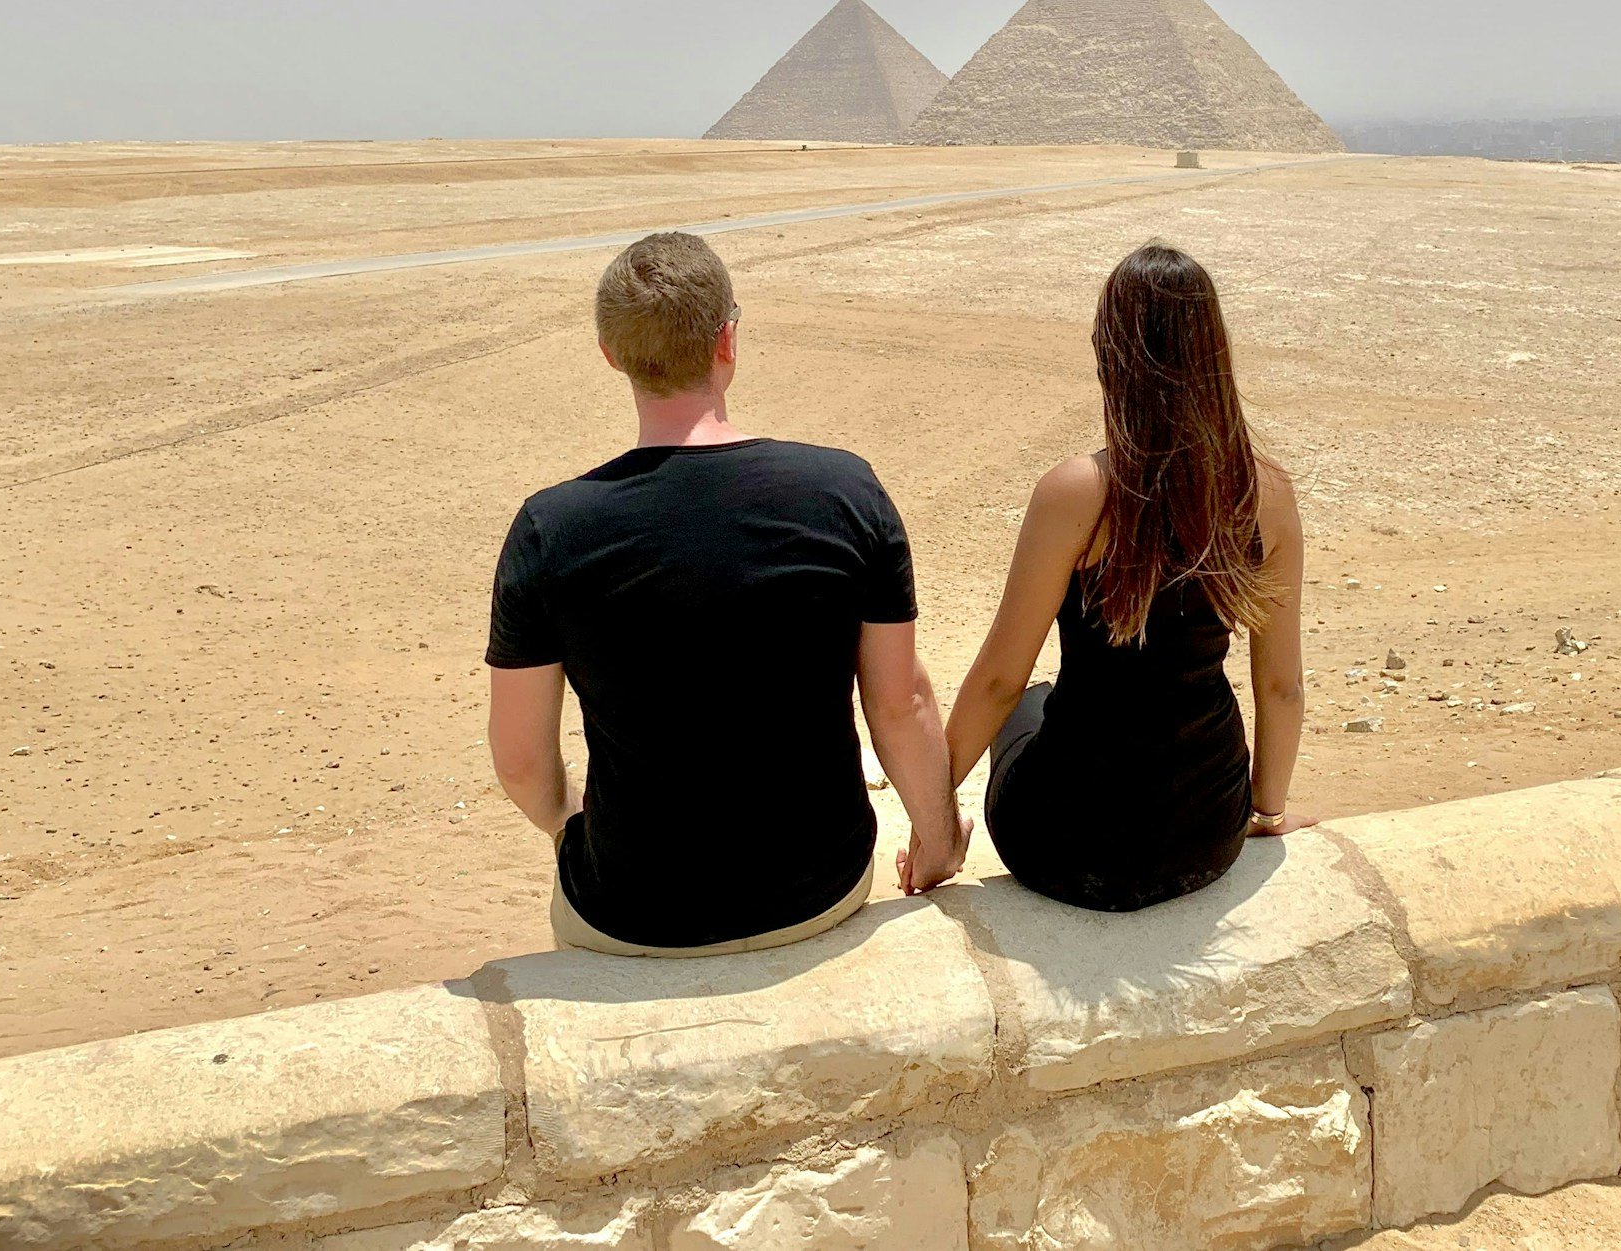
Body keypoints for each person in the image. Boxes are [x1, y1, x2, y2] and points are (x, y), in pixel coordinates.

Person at [484, 231, 967, 956]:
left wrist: (568, 824)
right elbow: (900, 704)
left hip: (631, 910)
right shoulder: (844, 491)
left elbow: (521, 759)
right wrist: (937, 842)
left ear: (611, 353)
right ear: (728, 339)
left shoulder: (550, 528)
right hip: (819, 890)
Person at [943, 243, 1308, 911]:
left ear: (1111, 353)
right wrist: (1266, 809)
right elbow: (1280, 685)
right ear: (1214, 353)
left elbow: (998, 679)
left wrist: (935, 826)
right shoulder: (1266, 493)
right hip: (1208, 836)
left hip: (1062, 845)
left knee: (1027, 700)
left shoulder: (1076, 493)